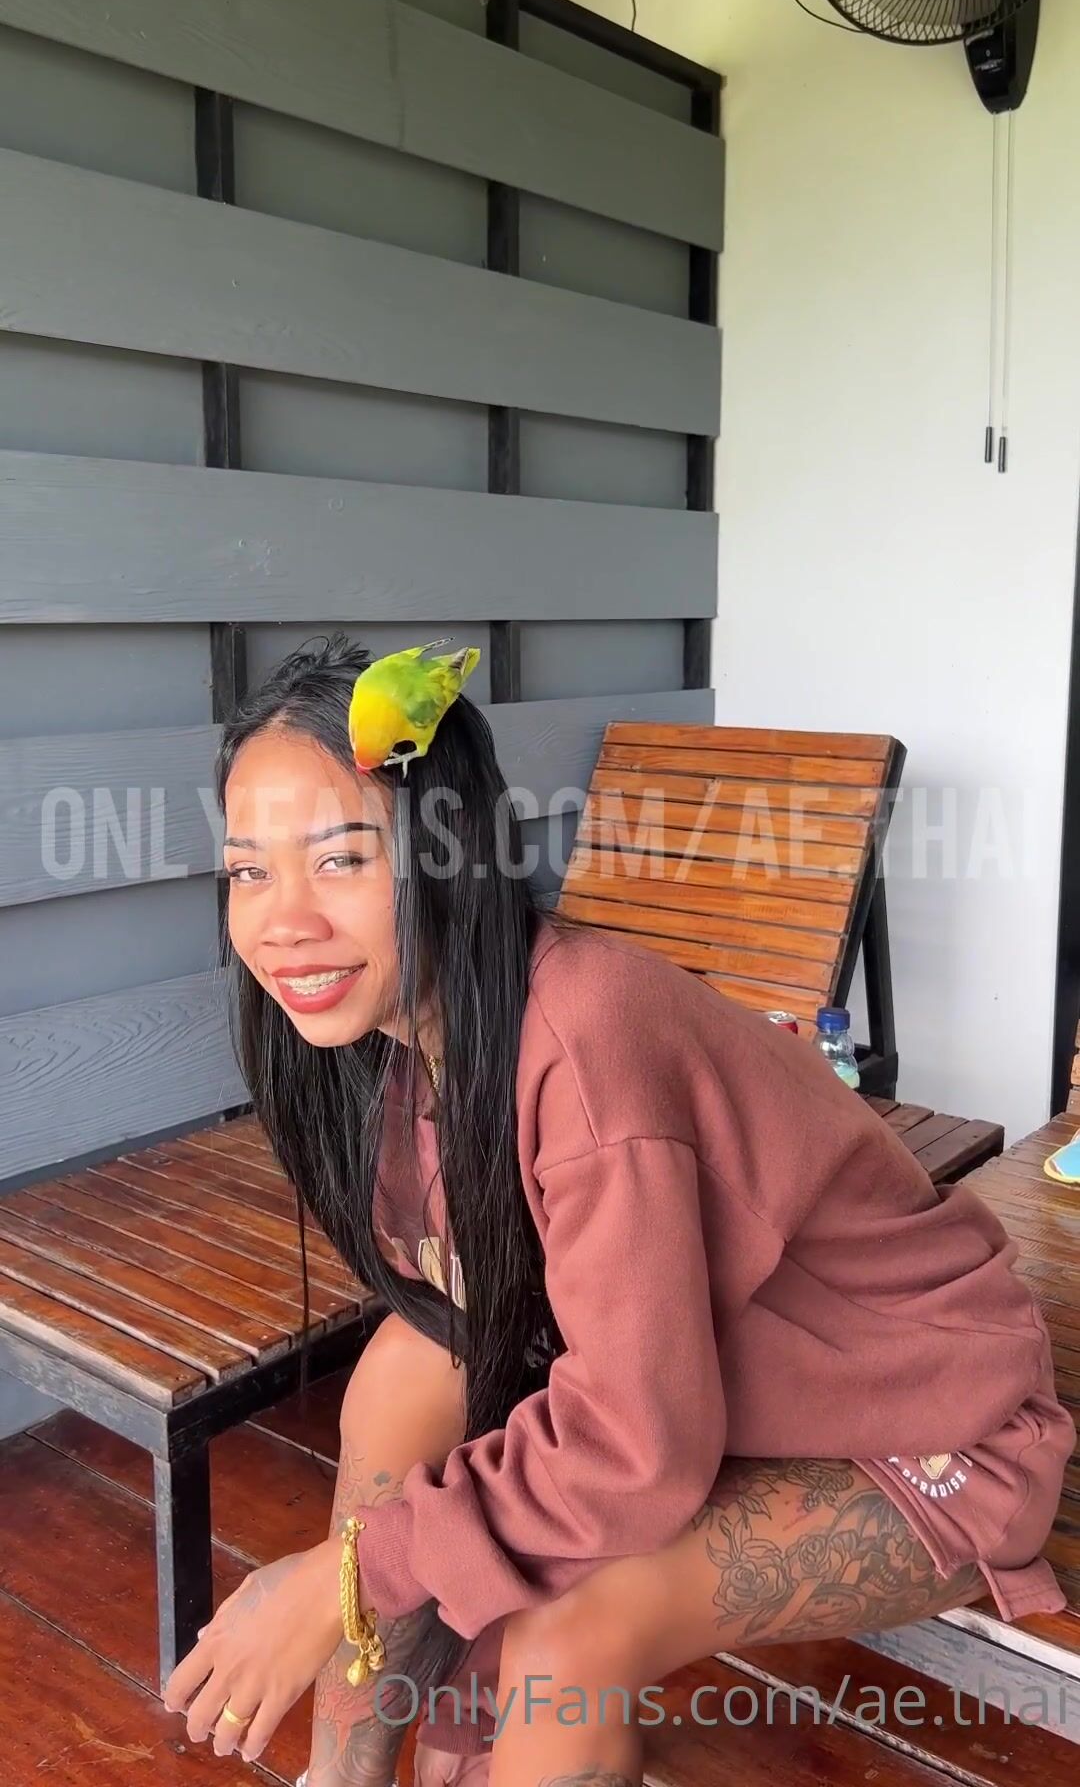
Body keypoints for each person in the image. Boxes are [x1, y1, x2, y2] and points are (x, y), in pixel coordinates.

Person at [163, 634, 1075, 1787]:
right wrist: (395, 1609)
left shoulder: (588, 1037)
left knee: (564, 1646)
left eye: (342, 858)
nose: (282, 921)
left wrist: (343, 1580)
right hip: (702, 1387)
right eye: (249, 871)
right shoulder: (399, 1047)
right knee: (403, 1370)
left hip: (922, 1422)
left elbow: (635, 1451)